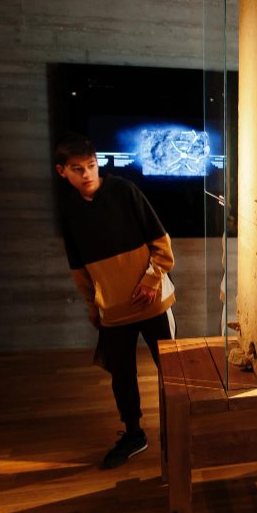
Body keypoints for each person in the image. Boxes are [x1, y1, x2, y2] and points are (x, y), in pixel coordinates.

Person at [54, 133, 177, 469]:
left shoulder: (123, 191)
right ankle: (134, 434)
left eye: (91, 166)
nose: (87, 174)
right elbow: (78, 265)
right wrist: (94, 307)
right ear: (62, 171)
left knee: (172, 373)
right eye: (77, 169)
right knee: (121, 375)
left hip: (154, 304)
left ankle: (178, 430)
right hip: (113, 311)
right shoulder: (70, 212)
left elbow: (161, 243)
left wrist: (152, 279)